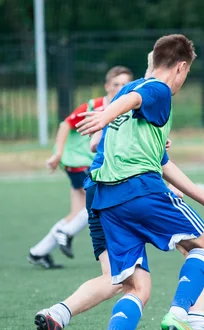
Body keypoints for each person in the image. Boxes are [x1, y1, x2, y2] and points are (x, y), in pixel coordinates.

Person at [33, 54, 204, 330]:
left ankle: (65, 319)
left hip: (102, 195)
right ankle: (188, 316)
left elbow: (102, 144)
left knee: (127, 282)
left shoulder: (134, 105)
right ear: (180, 67)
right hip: (129, 190)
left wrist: (121, 129)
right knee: (199, 245)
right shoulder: (153, 89)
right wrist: (110, 119)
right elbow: (132, 120)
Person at [75, 34, 204, 330]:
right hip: (140, 189)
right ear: (181, 67)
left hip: (108, 201)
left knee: (138, 287)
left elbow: (155, 156)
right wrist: (106, 114)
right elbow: (142, 94)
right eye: (187, 73)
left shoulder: (135, 99)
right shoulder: (158, 89)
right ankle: (182, 315)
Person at [27, 66, 133, 269]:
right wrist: (57, 153)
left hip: (90, 163)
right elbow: (65, 124)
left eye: (125, 84)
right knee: (99, 202)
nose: (120, 88)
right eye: (116, 84)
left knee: (77, 213)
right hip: (79, 162)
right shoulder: (95, 105)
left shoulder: (126, 106)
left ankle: (38, 252)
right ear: (107, 86)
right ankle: (64, 233)